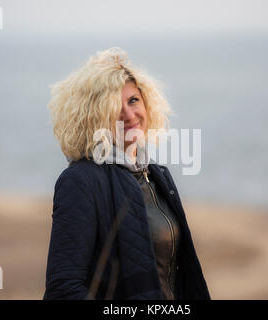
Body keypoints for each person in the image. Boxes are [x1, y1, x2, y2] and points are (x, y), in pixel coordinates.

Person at [43, 47, 210, 300]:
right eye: (113, 108)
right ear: (93, 118)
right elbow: (63, 289)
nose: (129, 115)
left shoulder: (157, 175)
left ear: (146, 103)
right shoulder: (80, 181)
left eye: (133, 100)